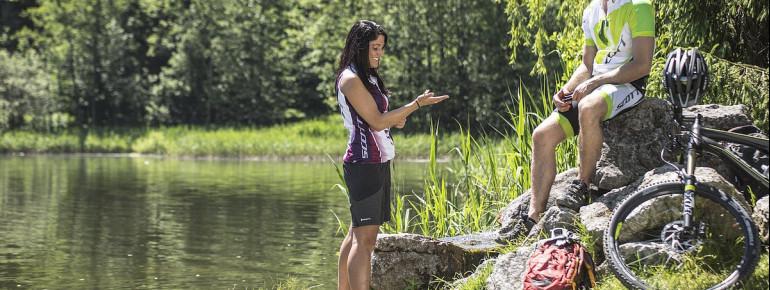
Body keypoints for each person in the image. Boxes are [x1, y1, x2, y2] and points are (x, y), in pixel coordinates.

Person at [334, 20, 449, 290]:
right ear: (359, 47)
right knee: (366, 242)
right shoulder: (350, 79)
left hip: (376, 162)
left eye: (382, 47)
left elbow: (379, 118)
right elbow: (374, 121)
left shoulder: (368, 76)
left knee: (355, 235)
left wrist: (395, 119)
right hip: (364, 164)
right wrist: (415, 105)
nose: (380, 53)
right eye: (375, 47)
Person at [522, 0, 655, 232]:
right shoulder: (591, 10)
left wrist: (596, 82)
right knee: (541, 135)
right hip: (597, 86)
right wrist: (567, 90)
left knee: (588, 107)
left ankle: (581, 185)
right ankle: (533, 218)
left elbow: (642, 65)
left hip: (628, 84)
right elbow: (587, 65)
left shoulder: (638, 6)